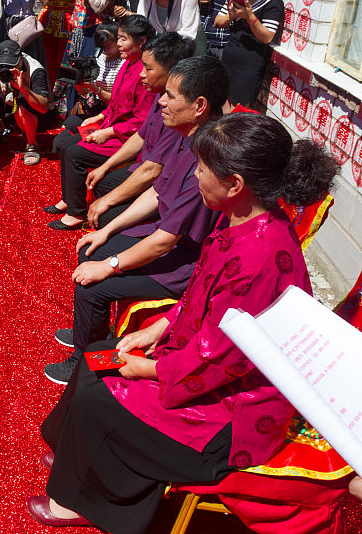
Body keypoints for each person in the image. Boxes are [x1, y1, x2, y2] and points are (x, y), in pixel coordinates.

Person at [30, 112, 339, 534]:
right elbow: (203, 296)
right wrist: (157, 329)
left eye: (201, 169)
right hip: (199, 363)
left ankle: (82, 500)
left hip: (233, 411)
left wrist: (150, 367)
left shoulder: (260, 255)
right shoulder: (245, 220)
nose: (194, 175)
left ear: (234, 184)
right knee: (95, 360)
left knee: (99, 396)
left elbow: (224, 357)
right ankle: (78, 455)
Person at [44, 56, 229, 385]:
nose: (161, 101)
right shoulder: (189, 137)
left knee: (93, 283)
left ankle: (86, 364)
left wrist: (110, 265)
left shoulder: (207, 156)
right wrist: (107, 232)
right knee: (92, 249)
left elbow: (166, 240)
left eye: (171, 95)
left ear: (200, 105)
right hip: (170, 241)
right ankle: (91, 335)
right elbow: (159, 192)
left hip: (186, 263)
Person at [46, 14, 156, 230]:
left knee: (75, 153)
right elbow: (116, 102)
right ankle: (70, 200)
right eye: (120, 38)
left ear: (141, 41)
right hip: (112, 127)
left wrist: (109, 131)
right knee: (66, 144)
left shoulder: (145, 72)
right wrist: (101, 116)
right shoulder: (128, 64)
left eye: (124, 39)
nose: (119, 44)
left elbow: (141, 122)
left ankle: (76, 213)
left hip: (124, 137)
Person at [84, 32, 196, 230]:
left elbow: (153, 171)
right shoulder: (158, 94)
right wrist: (105, 166)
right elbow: (141, 136)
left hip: (160, 187)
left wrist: (107, 201)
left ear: (172, 71)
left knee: (106, 215)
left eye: (148, 68)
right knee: (101, 181)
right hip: (143, 169)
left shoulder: (177, 111)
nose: (141, 73)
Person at [216, 0, 284, 109]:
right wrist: (231, 15)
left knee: (240, 110)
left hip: (250, 62)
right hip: (230, 55)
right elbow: (218, 22)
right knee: (224, 105)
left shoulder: (273, 1)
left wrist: (249, 17)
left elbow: (266, 37)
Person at [0, 40, 50, 164]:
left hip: (34, 113)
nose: (9, 69)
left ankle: (32, 144)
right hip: (8, 105)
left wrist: (24, 89)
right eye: (5, 65)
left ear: (21, 58)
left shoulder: (36, 69)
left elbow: (44, 108)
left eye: (13, 65)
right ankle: (0, 130)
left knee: (22, 105)